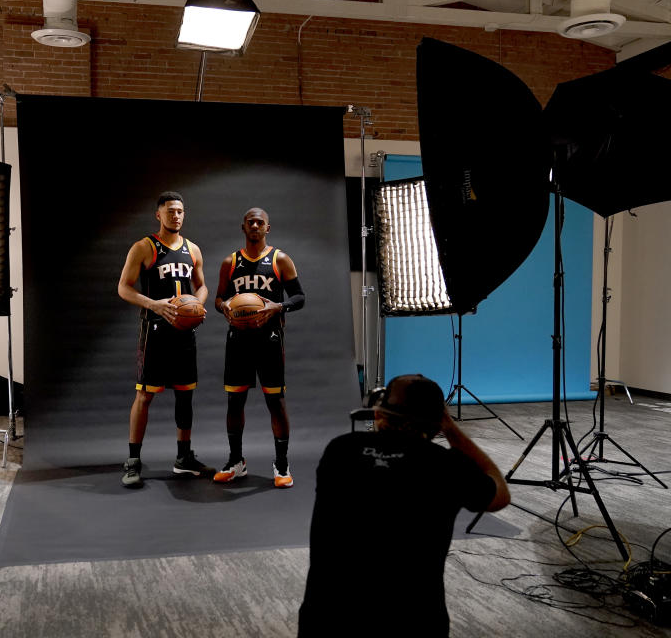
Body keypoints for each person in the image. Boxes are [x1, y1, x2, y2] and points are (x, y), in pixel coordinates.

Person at [297, 374, 511, 637]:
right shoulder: (445, 466)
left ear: (379, 414)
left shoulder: (339, 451)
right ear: (436, 423)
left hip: (325, 621)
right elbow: (500, 495)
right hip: (414, 623)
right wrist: (452, 430)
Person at [116, 191, 215, 488]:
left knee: (185, 395)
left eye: (180, 211)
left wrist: (197, 305)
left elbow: (203, 287)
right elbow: (123, 288)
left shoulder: (193, 250)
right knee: (145, 395)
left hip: (184, 333)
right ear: (158, 214)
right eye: (171, 211)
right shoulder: (144, 248)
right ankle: (133, 461)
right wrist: (154, 304)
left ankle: (183, 458)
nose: (176, 216)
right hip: (155, 331)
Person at [213, 208, 305, 488]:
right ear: (243, 227)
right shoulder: (231, 262)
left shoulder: (280, 259)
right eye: (250, 222)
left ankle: (281, 463)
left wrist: (280, 306)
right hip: (238, 339)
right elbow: (218, 298)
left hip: (270, 339)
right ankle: (236, 461)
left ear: (267, 228)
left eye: (260, 222)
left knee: (275, 402)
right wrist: (225, 307)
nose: (255, 225)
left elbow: (299, 297)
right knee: (234, 401)